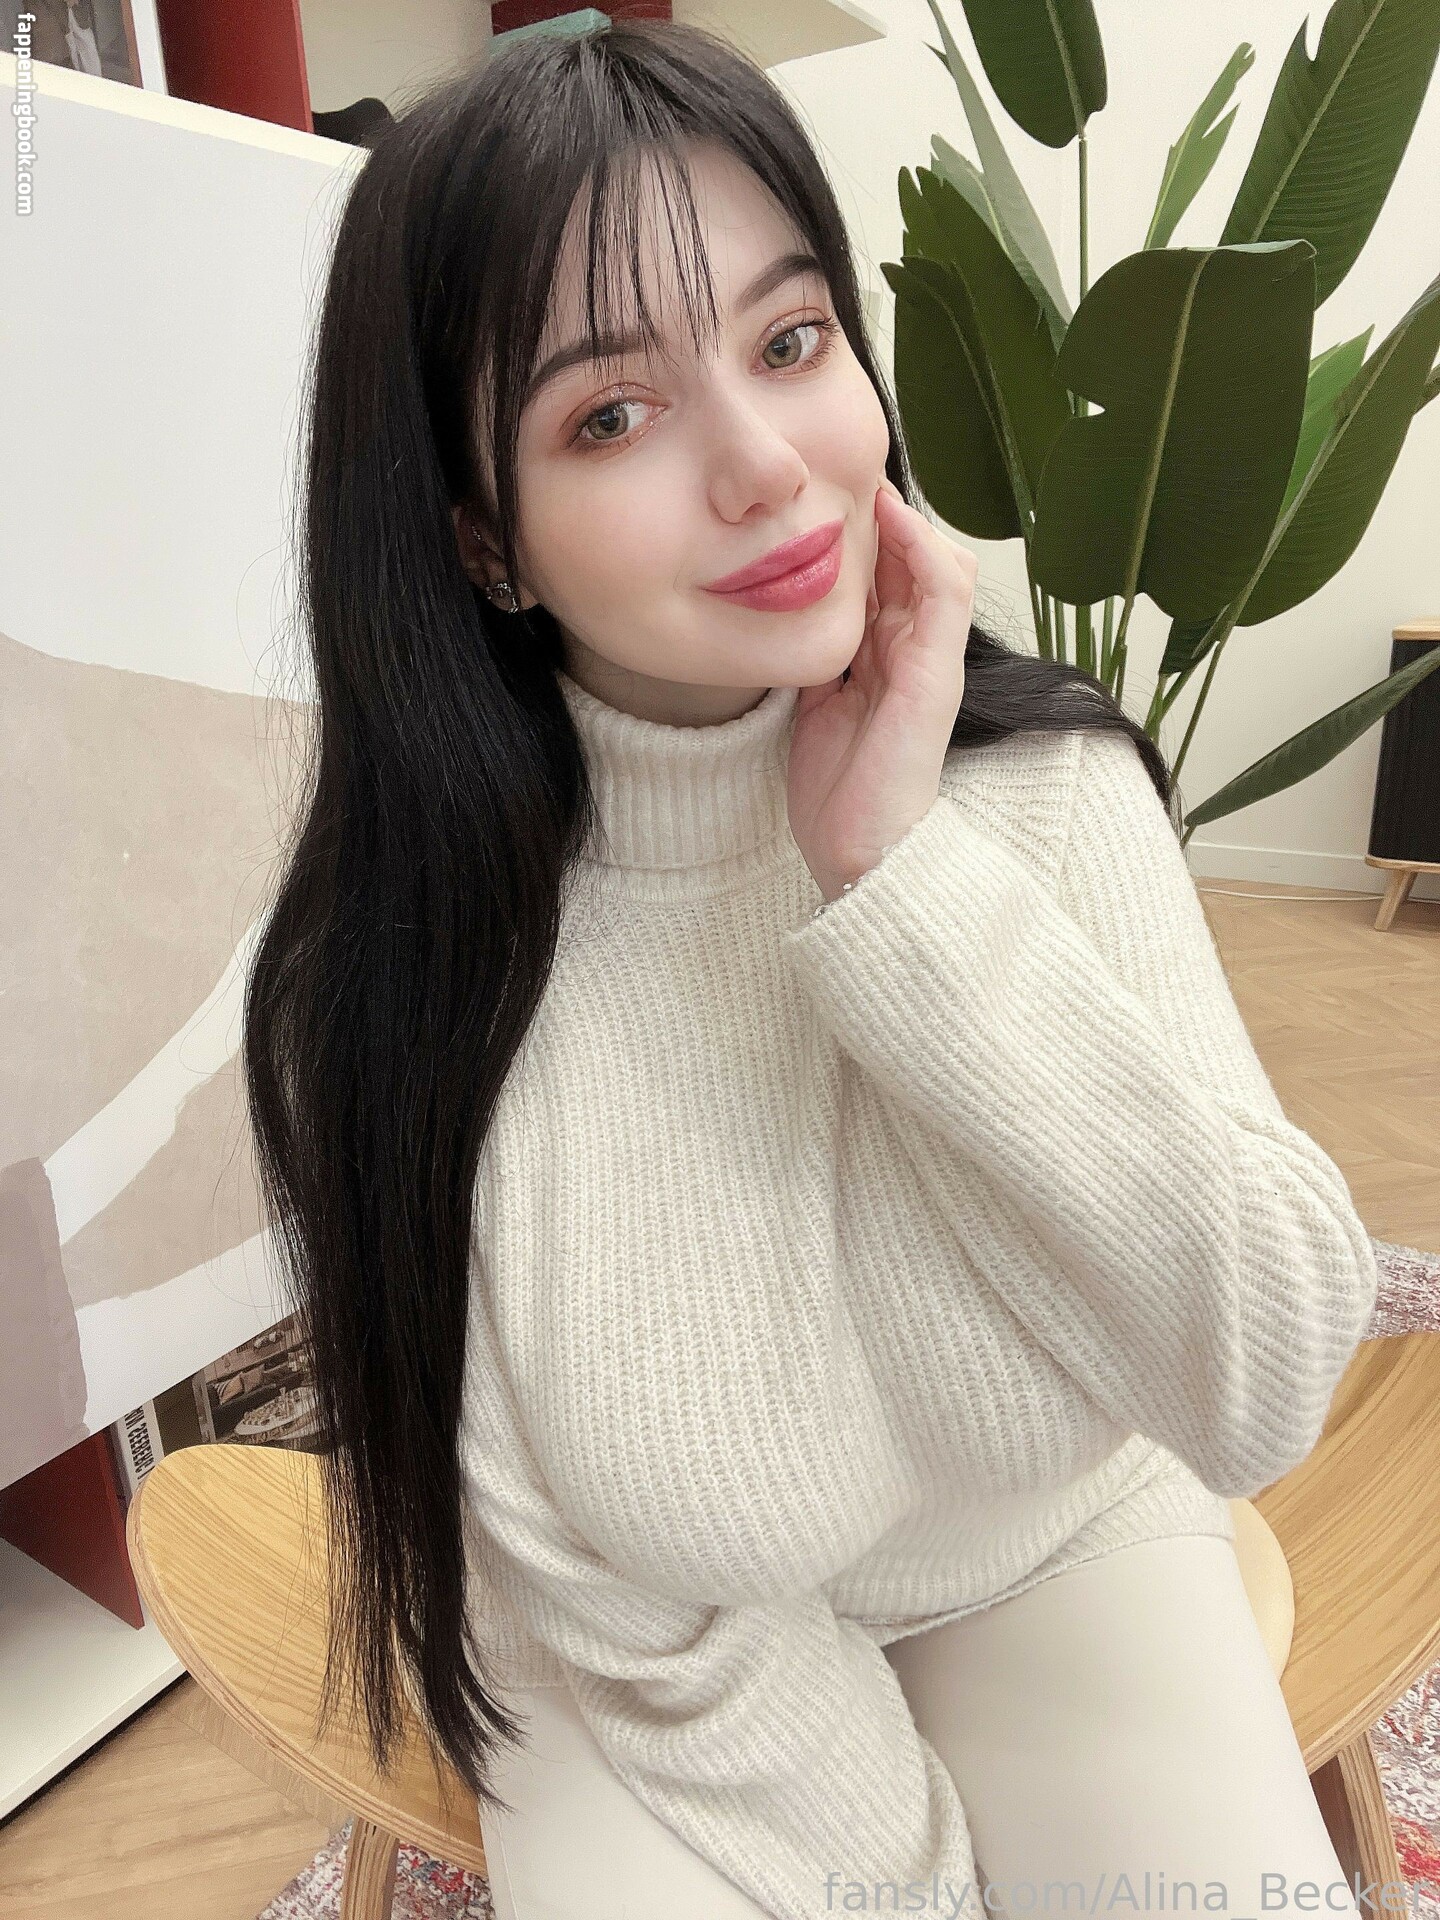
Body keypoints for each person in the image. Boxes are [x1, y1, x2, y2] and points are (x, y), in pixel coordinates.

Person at [240, 19, 1382, 1920]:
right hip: (642, 1648)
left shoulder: (1043, 790)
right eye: (611, 417)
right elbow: (586, 1581)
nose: (768, 469)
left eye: (790, 342)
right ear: (481, 542)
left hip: (1050, 1543)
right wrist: (907, 1880)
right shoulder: (401, 977)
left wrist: (902, 888)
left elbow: (1263, 1370)